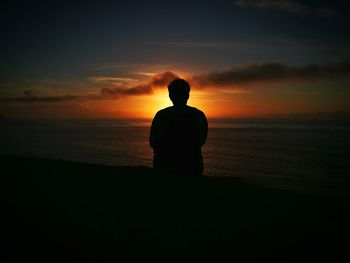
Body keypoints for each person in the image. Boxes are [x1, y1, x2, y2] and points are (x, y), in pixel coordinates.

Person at [149, 78, 208, 176]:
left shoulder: (161, 115)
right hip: (191, 168)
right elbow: (201, 140)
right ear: (187, 95)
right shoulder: (198, 115)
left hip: (164, 167)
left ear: (170, 96)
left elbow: (153, 142)